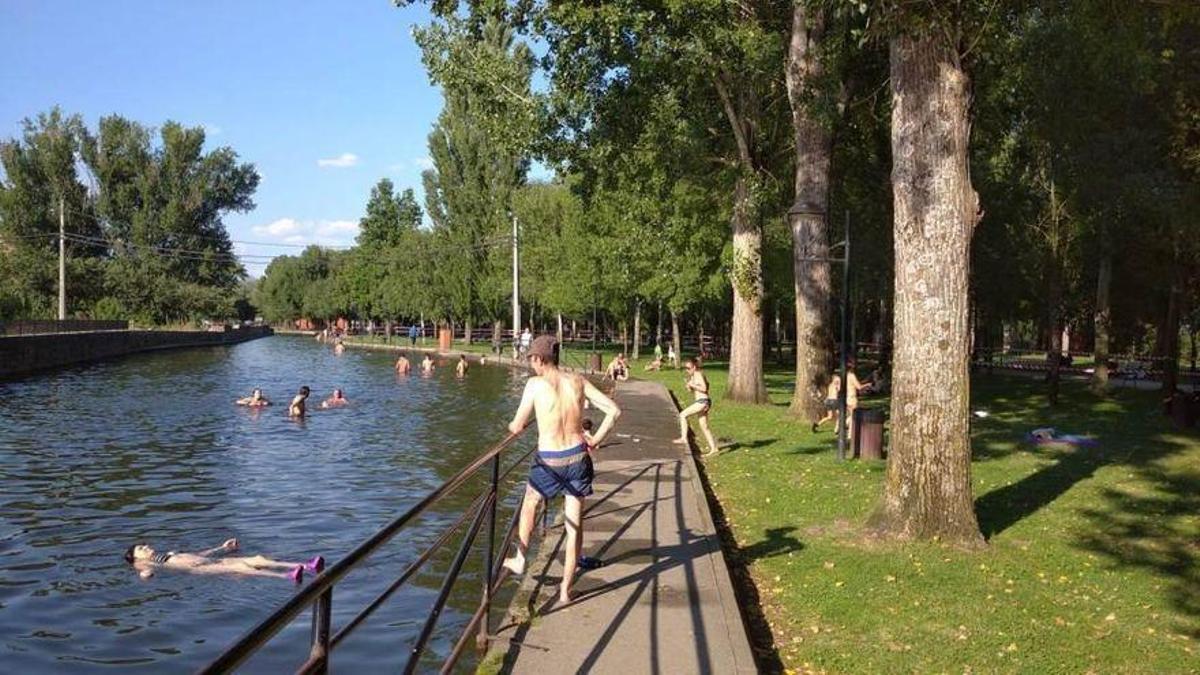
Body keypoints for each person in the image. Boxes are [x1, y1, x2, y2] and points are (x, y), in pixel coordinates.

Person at [501, 336, 621, 604]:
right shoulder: (577, 381)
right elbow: (614, 411)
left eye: (531, 359)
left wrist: (511, 426)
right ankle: (566, 591)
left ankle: (520, 558)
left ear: (539, 359)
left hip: (549, 460)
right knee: (574, 527)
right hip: (577, 457)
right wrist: (595, 439)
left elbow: (517, 426)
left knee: (530, 501)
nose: (531, 364)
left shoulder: (534, 385)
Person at [124, 538, 323, 583]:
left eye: (144, 545)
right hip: (200, 570)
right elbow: (144, 574)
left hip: (211, 562)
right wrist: (145, 574)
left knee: (257, 559)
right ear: (136, 557)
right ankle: (287, 576)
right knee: (244, 568)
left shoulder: (167, 553)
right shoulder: (144, 563)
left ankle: (306, 566)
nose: (146, 547)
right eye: (141, 549)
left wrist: (222, 548)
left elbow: (200, 554)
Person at [673, 358, 720, 456]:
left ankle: (684, 438)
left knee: (683, 415)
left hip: (702, 401)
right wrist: (689, 386)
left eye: (689, 368)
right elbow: (693, 391)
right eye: (686, 368)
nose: (687, 370)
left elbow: (704, 388)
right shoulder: (693, 376)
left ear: (694, 367)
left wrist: (693, 385)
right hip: (702, 401)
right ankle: (714, 448)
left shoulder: (698, 374)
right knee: (704, 426)